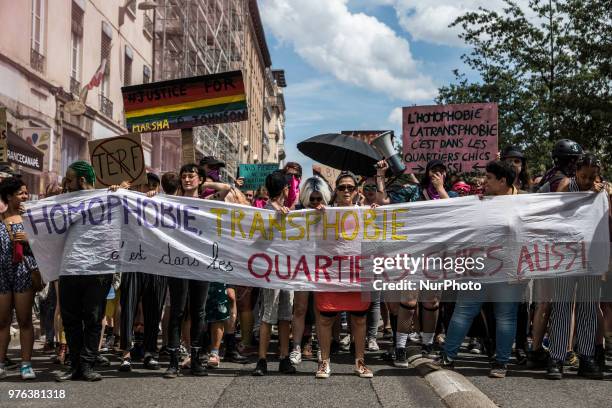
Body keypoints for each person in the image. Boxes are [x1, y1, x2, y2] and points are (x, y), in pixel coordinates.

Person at [434, 161, 523, 378]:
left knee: (506, 316)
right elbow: (457, 216)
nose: (485, 181)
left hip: (508, 269)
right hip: (477, 266)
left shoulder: (525, 202)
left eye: (490, 178)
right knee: (463, 311)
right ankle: (448, 356)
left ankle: (501, 363)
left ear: (503, 181)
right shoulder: (480, 201)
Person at [546, 153, 605, 380]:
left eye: (592, 177)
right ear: (575, 172)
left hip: (591, 257)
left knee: (589, 307)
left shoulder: (602, 190)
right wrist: (586, 193)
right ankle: (557, 358)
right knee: (561, 306)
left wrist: (603, 192)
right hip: (565, 256)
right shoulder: (565, 185)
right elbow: (554, 208)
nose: (587, 181)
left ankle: (587, 357)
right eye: (583, 176)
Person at [55, 161, 114, 382]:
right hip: (70, 268)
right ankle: (75, 366)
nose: (66, 183)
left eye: (69, 179)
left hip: (98, 269)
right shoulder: (63, 201)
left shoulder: (107, 198)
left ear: (81, 180)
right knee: (70, 319)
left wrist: (121, 191)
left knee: (93, 317)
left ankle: (88, 364)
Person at [315, 172, 374, 379]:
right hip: (330, 273)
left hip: (357, 273)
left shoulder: (366, 212)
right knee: (325, 319)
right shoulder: (324, 213)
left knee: (359, 320)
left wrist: (377, 214)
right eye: (342, 187)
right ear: (336, 191)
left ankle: (360, 362)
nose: (346, 191)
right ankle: (324, 362)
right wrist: (314, 215)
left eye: (350, 187)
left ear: (357, 191)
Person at [163, 164, 210, 378]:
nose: (187, 180)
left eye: (191, 176)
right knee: (177, 312)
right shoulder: (172, 202)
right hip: (179, 263)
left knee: (198, 311)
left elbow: (226, 189)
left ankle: (196, 359)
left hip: (201, 264)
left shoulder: (208, 203)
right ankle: (173, 361)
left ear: (200, 179)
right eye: (184, 176)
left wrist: (207, 182)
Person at [118, 173, 168, 373]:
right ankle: (126, 354)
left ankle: (150, 352)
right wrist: (120, 189)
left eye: (152, 186)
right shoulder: (129, 204)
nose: (148, 189)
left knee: (153, 309)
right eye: (144, 186)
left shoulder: (163, 206)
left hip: (156, 264)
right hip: (133, 262)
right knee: (128, 308)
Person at [252, 171, 296, 376]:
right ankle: (262, 359)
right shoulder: (266, 212)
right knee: (268, 315)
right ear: (285, 189)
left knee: (285, 315)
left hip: (288, 270)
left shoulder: (289, 211)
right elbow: (259, 239)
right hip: (271, 271)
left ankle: (284, 357)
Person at [289, 176, 333, 367]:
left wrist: (327, 216)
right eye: (312, 199)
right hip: (302, 266)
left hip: (323, 267)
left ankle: (319, 348)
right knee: (300, 308)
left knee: (319, 310)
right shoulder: (297, 214)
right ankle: (296, 347)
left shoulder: (333, 214)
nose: (315, 203)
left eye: (319, 199)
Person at [0, 177, 37, 379]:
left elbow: (46, 245)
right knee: (2, 321)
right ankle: (1, 363)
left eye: (26, 193)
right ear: (8, 196)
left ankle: (26, 364)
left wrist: (30, 238)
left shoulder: (32, 218)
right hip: (2, 274)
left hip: (23, 272)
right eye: (21, 193)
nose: (25, 197)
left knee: (24, 320)